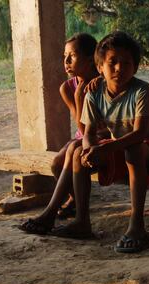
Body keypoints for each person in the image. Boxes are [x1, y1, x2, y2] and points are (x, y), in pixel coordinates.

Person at [21, 31, 149, 253]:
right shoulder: (93, 93)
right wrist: (90, 151)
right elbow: (86, 133)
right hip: (114, 143)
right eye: (112, 62)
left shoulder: (141, 90)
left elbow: (139, 134)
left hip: (147, 145)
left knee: (133, 150)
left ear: (135, 67)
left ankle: (136, 225)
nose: (119, 68)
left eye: (127, 63)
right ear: (100, 67)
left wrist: (106, 147)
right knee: (78, 153)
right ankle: (82, 222)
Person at [52, 33, 100, 219]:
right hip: (84, 134)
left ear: (90, 59)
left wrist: (82, 96)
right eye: (65, 56)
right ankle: (74, 199)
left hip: (103, 136)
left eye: (72, 55)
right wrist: (79, 97)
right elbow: (81, 127)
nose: (66, 61)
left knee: (76, 154)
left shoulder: (102, 82)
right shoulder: (67, 88)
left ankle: (77, 208)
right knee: (57, 163)